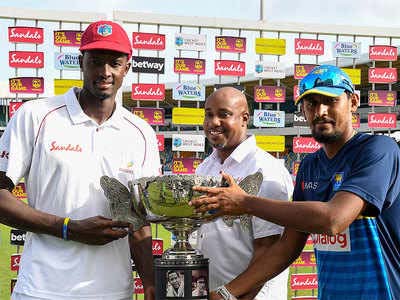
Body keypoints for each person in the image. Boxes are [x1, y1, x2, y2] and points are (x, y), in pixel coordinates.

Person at [191, 65, 400, 300]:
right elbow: (287, 247)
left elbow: (333, 220)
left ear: (353, 102)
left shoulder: (379, 149)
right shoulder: (310, 166)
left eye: (330, 101)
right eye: (311, 104)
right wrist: (226, 294)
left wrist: (246, 202)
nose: (320, 111)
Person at [0, 20, 160, 300]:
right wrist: (67, 228)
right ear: (81, 62)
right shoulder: (37, 116)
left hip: (113, 292)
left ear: (127, 66)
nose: (105, 72)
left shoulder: (141, 133)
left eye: (115, 62)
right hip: (41, 290)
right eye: (96, 61)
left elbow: (138, 219)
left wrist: (149, 282)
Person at [195, 87, 293, 300]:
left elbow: (270, 249)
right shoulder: (204, 167)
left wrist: (232, 296)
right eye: (209, 114)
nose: (213, 122)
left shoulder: (266, 170)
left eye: (224, 114)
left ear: (244, 118)